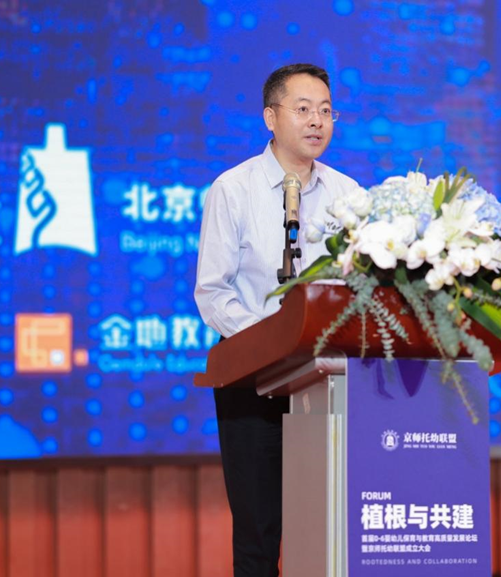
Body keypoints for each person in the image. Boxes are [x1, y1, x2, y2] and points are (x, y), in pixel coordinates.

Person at [194, 63, 358, 577]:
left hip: (328, 385)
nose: (317, 121)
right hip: (253, 384)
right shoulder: (233, 189)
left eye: (326, 111)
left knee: (327, 532)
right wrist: (273, 344)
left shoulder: (349, 196)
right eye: (303, 109)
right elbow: (213, 291)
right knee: (259, 537)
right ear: (270, 117)